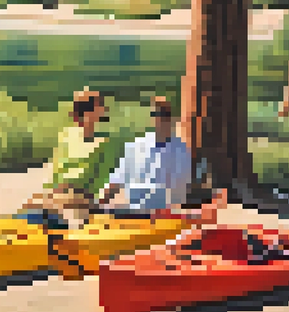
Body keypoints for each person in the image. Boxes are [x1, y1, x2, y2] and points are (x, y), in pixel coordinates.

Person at [21, 88, 130, 227]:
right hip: (57, 195)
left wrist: (95, 205)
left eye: (88, 107)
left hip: (80, 200)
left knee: (69, 217)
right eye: (84, 108)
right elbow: (56, 174)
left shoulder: (105, 143)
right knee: (30, 209)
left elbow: (111, 182)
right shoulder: (67, 136)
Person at [98, 96, 193, 215]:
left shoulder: (181, 152)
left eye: (164, 114)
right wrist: (100, 203)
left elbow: (177, 192)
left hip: (165, 217)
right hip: (130, 214)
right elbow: (116, 181)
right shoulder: (135, 147)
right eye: (155, 114)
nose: (159, 119)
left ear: (173, 118)